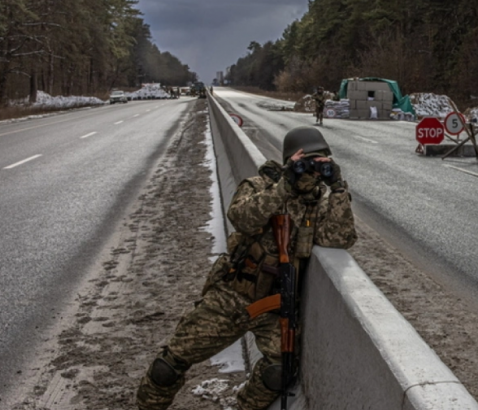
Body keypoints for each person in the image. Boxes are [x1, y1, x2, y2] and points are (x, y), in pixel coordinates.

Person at [136, 126, 356, 410]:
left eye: (321, 162)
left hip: (275, 305)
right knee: (168, 365)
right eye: (307, 161)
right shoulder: (260, 186)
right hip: (232, 295)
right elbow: (242, 217)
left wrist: (338, 188)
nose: (312, 170)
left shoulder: (318, 204)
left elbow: (339, 238)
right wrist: (285, 186)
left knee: (279, 371)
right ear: (290, 160)